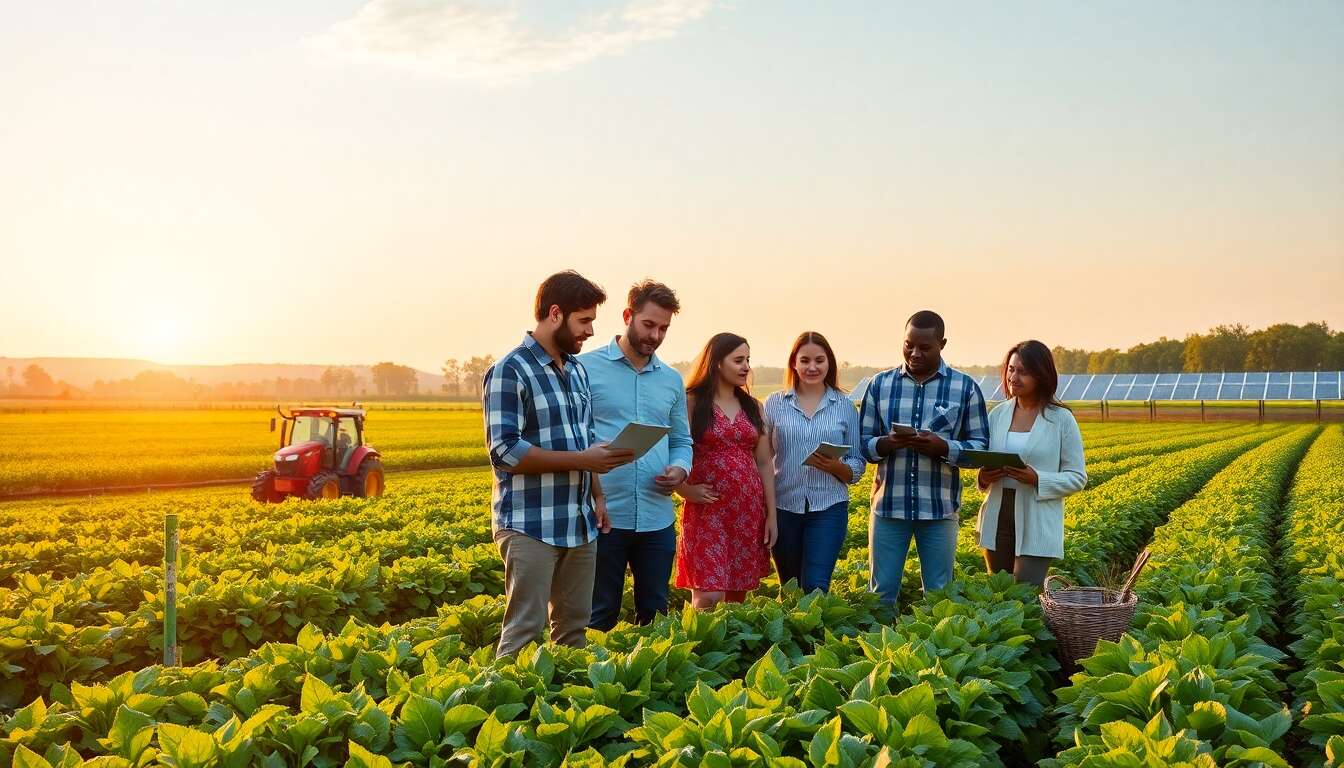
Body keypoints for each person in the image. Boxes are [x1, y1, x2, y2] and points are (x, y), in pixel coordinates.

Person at [482, 270, 635, 657]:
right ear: (555, 314)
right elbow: (505, 451)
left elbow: (580, 438)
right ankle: (502, 710)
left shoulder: (577, 371)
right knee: (523, 631)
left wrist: (597, 495)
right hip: (530, 523)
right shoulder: (510, 370)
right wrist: (583, 459)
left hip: (578, 521)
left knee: (573, 633)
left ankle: (561, 709)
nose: (589, 331)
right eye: (584, 321)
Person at [580, 280, 693, 630]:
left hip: (657, 517)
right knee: (599, 615)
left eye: (664, 329)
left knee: (656, 615)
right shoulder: (583, 369)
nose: (656, 335)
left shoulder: (672, 380)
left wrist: (679, 469)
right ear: (628, 316)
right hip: (603, 515)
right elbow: (573, 437)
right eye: (649, 325)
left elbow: (682, 440)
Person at [859, 310, 989, 605]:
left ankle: (938, 651)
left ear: (942, 344)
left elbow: (981, 448)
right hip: (889, 508)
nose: (915, 353)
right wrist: (888, 443)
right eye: (908, 345)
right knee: (881, 594)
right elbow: (863, 446)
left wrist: (943, 448)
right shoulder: (880, 385)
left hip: (939, 509)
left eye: (924, 347)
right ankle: (881, 647)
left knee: (940, 594)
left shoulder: (965, 388)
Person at [675, 333, 777, 609]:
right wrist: (683, 489)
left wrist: (771, 515)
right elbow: (671, 448)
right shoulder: (691, 402)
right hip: (708, 511)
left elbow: (765, 463)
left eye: (747, 360)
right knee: (709, 596)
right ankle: (698, 648)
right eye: (738, 360)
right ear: (717, 363)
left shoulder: (753, 406)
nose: (746, 367)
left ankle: (729, 651)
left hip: (747, 511)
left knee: (736, 597)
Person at [977, 340, 1087, 586]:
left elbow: (1077, 477)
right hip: (998, 512)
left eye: (1023, 372)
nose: (1013, 377)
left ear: (1042, 375)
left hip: (1037, 515)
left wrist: (1037, 478)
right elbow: (984, 460)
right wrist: (983, 478)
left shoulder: (1061, 419)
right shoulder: (997, 414)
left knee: (1027, 591)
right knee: (999, 591)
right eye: (1011, 369)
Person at [763, 332, 864, 593]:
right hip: (784, 506)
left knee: (816, 586)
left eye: (819, 360)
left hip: (828, 506)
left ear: (829, 363)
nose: (812, 367)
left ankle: (817, 633)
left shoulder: (844, 406)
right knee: (790, 587)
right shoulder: (775, 404)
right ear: (793, 363)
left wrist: (838, 468)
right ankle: (794, 635)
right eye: (805, 360)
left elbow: (857, 461)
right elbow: (762, 458)